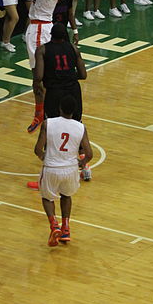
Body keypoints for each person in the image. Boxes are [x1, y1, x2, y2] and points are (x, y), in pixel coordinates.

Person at [10, 0, 87, 133]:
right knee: (43, 77)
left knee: (39, 78)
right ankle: (43, 113)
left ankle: (40, 115)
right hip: (43, 27)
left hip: (39, 30)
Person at [34, 94, 92, 246]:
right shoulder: (81, 127)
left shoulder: (48, 123)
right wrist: (82, 162)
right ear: (74, 111)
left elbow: (38, 149)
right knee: (66, 195)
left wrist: (44, 158)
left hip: (52, 168)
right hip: (70, 169)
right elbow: (90, 153)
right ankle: (65, 228)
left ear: (60, 108)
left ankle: (54, 224)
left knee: (47, 197)